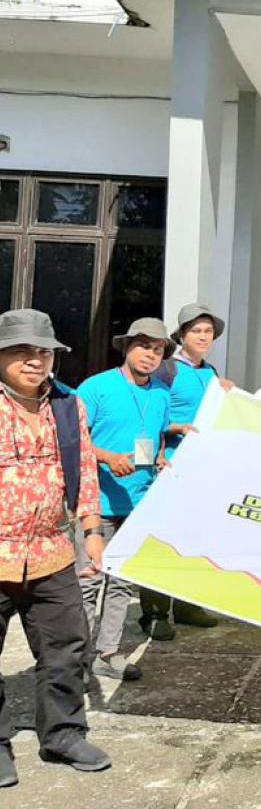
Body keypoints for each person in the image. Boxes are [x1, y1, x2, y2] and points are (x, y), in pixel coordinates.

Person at [0, 309, 110, 783]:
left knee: (67, 647)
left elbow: (84, 469)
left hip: (52, 552)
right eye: (22, 351)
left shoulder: (68, 405)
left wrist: (91, 531)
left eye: (43, 351)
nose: (34, 360)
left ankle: (63, 733)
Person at [76, 319, 173, 683]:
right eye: (143, 346)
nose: (150, 355)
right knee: (88, 583)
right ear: (127, 347)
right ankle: (78, 660)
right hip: (97, 504)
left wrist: (161, 457)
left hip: (140, 503)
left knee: (120, 583)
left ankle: (107, 653)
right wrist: (105, 457)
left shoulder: (162, 392)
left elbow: (158, 438)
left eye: (158, 349)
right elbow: (73, 439)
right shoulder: (96, 387)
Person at [145, 303, 232, 638]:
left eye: (208, 331)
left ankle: (185, 604)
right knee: (161, 540)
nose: (203, 336)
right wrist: (161, 452)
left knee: (193, 538)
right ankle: (154, 613)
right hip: (171, 465)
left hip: (202, 469)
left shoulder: (210, 372)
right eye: (196, 330)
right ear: (181, 335)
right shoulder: (168, 369)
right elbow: (151, 414)